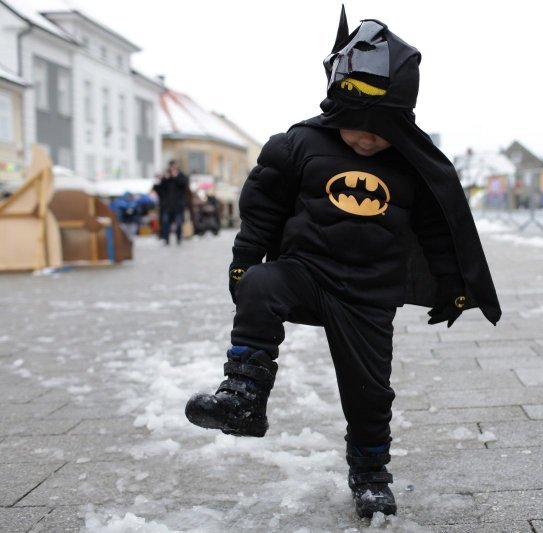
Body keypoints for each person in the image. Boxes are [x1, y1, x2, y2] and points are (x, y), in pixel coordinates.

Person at [184, 8, 501, 519]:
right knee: (263, 284)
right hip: (306, 272)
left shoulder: (411, 165)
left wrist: (454, 284)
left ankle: (371, 472)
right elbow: (262, 206)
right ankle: (243, 395)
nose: (367, 138)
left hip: (370, 294)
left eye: (382, 129)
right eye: (356, 125)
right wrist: (244, 261)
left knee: (370, 393)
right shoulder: (301, 144)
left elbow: (439, 230)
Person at [153, 160, 189, 245]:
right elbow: (158, 189)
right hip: (167, 205)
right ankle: (166, 238)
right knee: (165, 223)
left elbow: (184, 186)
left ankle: (179, 238)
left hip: (178, 205)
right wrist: (163, 179)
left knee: (178, 222)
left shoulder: (181, 176)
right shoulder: (166, 177)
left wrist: (175, 177)